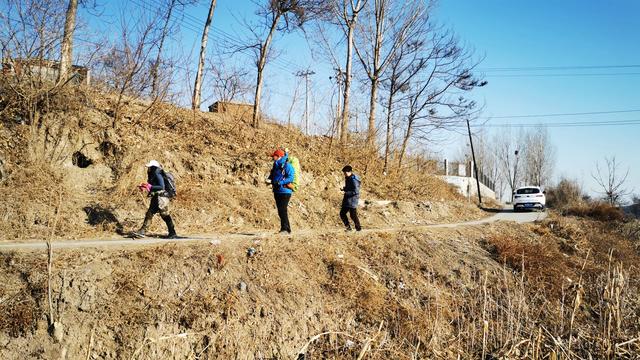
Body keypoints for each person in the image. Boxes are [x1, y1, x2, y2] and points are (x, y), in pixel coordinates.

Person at [132, 160, 177, 239]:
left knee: (165, 215)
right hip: (156, 197)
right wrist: (146, 187)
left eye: (149, 167)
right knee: (149, 213)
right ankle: (142, 231)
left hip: (162, 197)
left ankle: (172, 233)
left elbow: (161, 186)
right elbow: (153, 186)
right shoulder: (153, 173)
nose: (148, 168)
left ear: (153, 167)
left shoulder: (157, 173)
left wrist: (149, 187)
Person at [268, 149, 295, 234]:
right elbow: (273, 176)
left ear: (279, 157)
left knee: (283, 210)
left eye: (274, 156)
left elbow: (290, 178)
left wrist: (280, 182)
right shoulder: (275, 166)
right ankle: (286, 229)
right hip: (277, 191)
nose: (273, 158)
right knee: (280, 210)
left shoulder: (288, 166)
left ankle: (285, 229)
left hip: (285, 191)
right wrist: (269, 180)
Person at [340, 165, 362, 232]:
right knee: (342, 213)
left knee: (353, 215)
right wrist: (344, 189)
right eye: (344, 173)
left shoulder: (353, 179)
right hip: (347, 199)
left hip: (352, 200)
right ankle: (348, 228)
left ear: (349, 172)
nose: (344, 174)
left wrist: (347, 193)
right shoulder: (348, 178)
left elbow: (356, 191)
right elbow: (350, 188)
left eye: (345, 172)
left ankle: (358, 229)